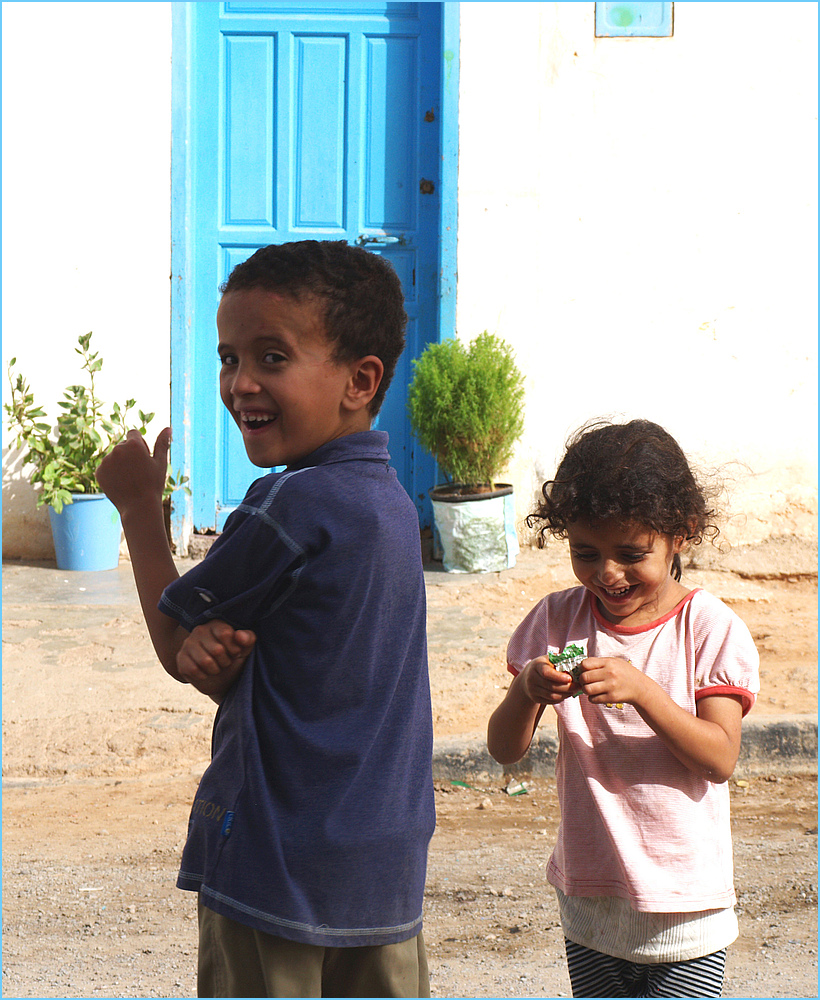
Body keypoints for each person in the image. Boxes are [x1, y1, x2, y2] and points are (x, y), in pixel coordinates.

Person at [96, 240, 435, 998]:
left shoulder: (293, 504)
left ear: (360, 380)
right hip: (380, 869)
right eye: (227, 358)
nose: (239, 383)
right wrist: (228, 671)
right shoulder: (388, 506)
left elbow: (172, 641)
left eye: (272, 358)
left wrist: (139, 512)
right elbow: (320, 677)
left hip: (276, 860)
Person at [487, 419, 760, 999]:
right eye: (585, 552)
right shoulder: (558, 620)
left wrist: (644, 691)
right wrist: (525, 692)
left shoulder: (706, 628)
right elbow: (504, 750)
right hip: (591, 895)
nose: (607, 573)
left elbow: (720, 758)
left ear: (680, 534)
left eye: (631, 554)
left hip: (684, 907)